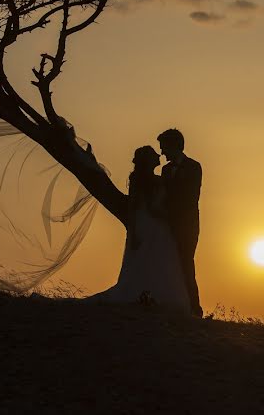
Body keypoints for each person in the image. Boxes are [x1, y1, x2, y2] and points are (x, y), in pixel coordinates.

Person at [87, 146, 190, 313]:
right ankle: (143, 294)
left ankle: (154, 295)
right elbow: (135, 205)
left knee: (159, 259)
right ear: (149, 160)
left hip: (157, 223)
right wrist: (135, 231)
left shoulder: (159, 178)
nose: (159, 155)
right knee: (144, 258)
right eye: (155, 155)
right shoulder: (138, 179)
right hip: (147, 222)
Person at [158, 128, 203, 318]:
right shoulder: (165, 170)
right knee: (170, 264)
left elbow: (192, 197)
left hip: (187, 225)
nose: (162, 152)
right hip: (168, 224)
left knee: (186, 263)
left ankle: (194, 308)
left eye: (164, 147)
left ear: (174, 145)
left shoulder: (194, 167)